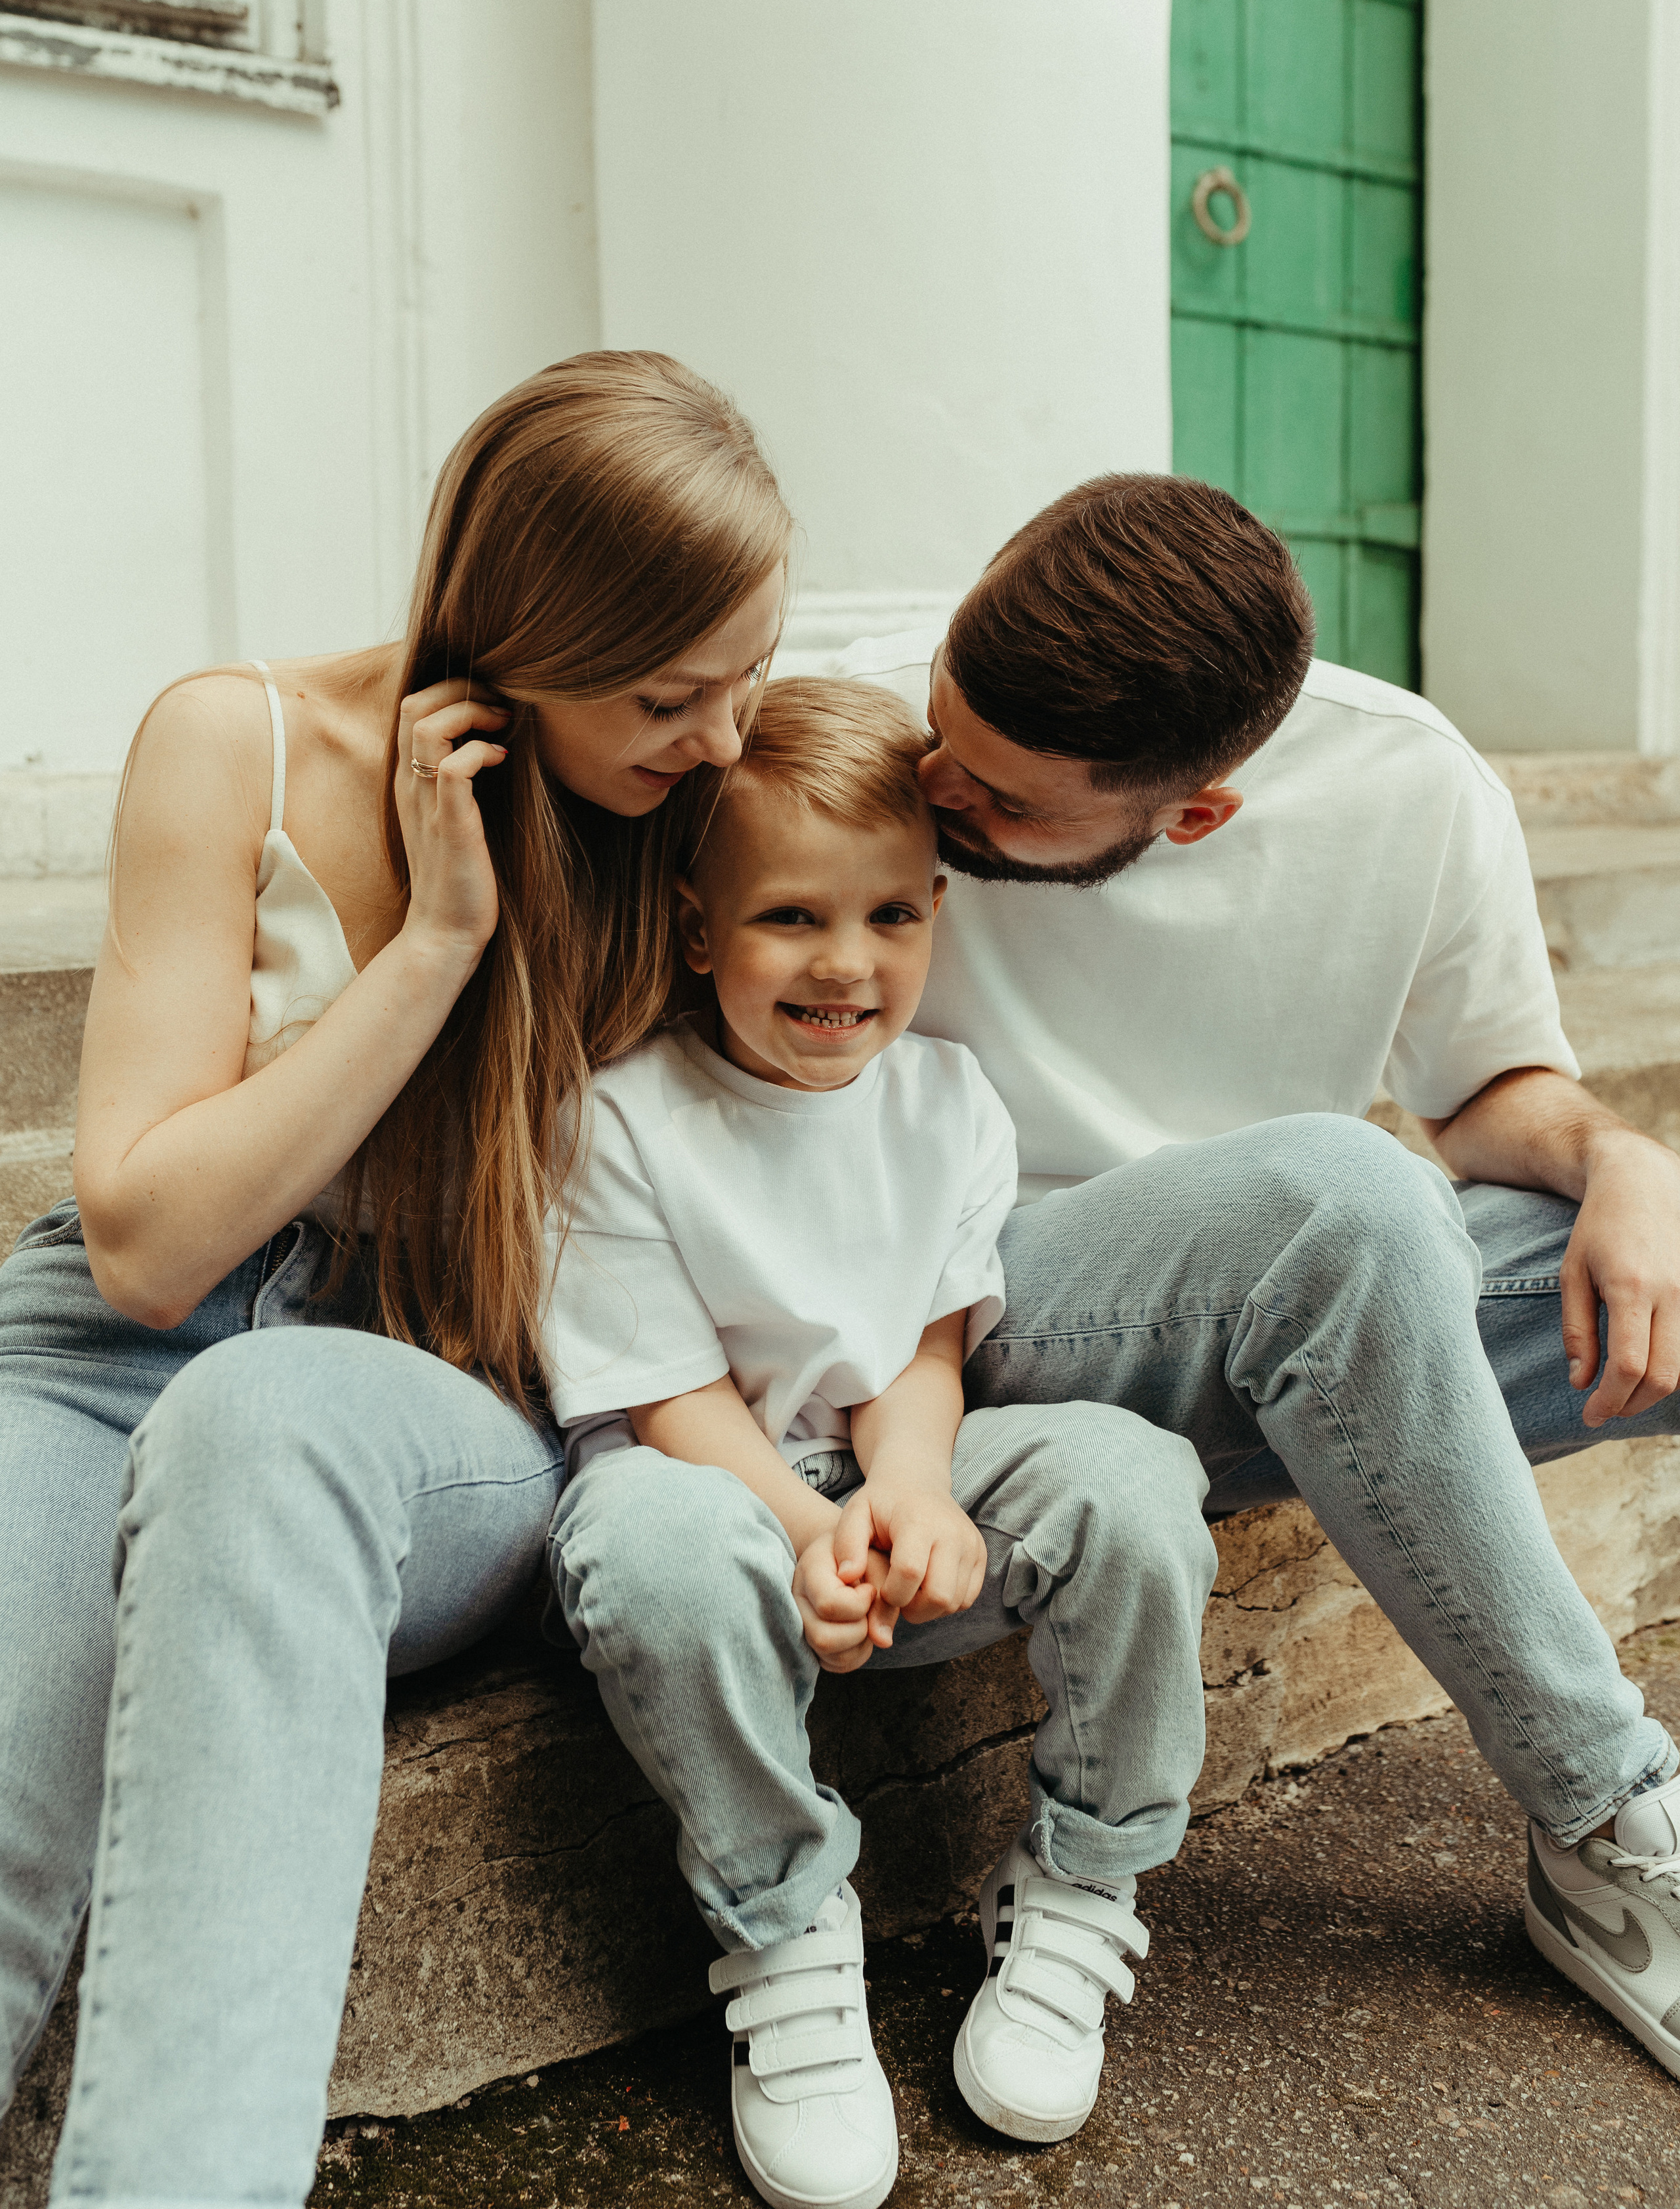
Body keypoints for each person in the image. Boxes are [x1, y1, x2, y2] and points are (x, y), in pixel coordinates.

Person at [0, 352, 794, 2200]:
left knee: (268, 1419)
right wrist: (433, 949)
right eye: (671, 693)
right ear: (516, 634)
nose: (727, 736)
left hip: (414, 1392)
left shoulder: (694, 809)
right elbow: (145, 1241)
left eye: (752, 670)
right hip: (108, 1357)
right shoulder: (241, 742)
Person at [837, 469, 1680, 2076]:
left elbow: (1486, 1089)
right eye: (942, 725)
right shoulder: (846, 723)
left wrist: (1618, 1160)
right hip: (967, 1317)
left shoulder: (1411, 786)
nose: (934, 785)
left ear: (1197, 811)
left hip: (1299, 1301)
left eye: (1003, 799)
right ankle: (1605, 1814)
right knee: (1345, 1192)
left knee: (1518, 1236)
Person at [546, 678, 1218, 2209]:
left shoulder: (946, 1100)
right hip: (705, 1484)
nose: (847, 964)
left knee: (1129, 1474)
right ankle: (782, 1924)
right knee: (652, 1547)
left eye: (893, 918)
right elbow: (667, 1398)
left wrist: (912, 1489)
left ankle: (1082, 1875)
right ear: (698, 927)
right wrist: (800, 1524)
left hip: (880, 1476)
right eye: (791, 915)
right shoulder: (625, 1116)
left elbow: (924, 1348)